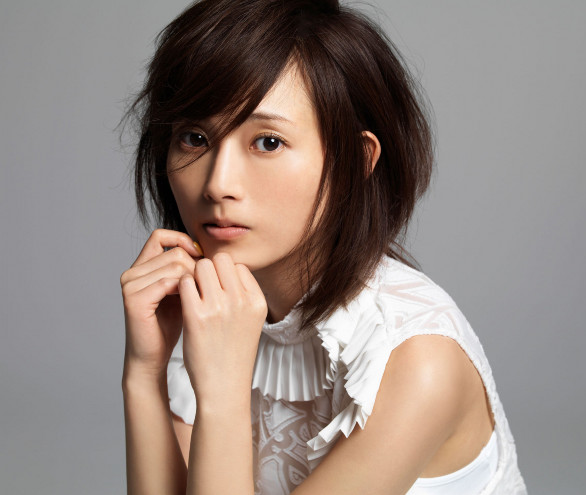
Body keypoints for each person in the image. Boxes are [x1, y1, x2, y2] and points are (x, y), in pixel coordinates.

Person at [119, 0, 527, 493]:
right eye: (194, 137)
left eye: (268, 142)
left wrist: (223, 393)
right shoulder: (218, 314)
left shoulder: (416, 359)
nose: (218, 184)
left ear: (355, 161)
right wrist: (144, 372)